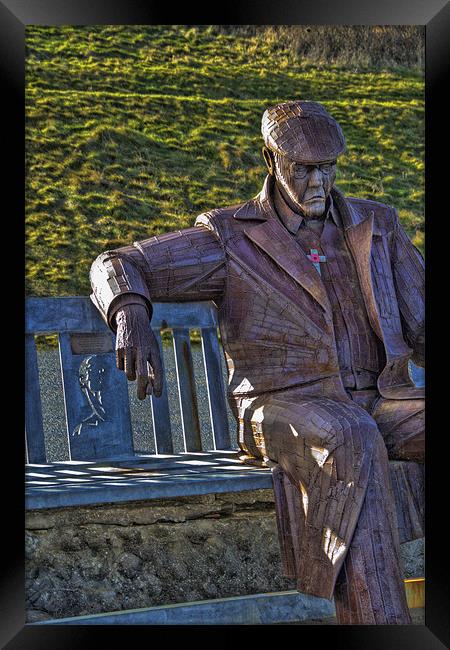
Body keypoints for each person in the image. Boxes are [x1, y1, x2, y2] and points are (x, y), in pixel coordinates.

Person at [89, 100, 424, 624]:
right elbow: (118, 262)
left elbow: (423, 322)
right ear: (271, 161)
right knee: (350, 436)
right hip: (282, 407)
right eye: (304, 168)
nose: (319, 181)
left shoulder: (375, 226)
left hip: (381, 399)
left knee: (358, 427)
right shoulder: (231, 236)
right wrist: (129, 311)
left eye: (329, 167)